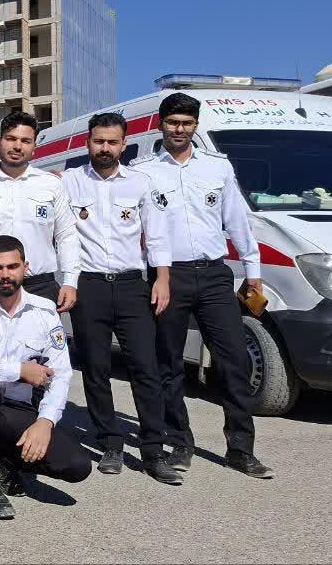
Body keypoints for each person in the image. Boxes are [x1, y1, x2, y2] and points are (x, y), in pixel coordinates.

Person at [131, 92, 274, 479]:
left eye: (187, 123)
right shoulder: (143, 172)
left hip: (214, 275)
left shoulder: (218, 167)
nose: (179, 129)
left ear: (196, 125)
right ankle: (180, 441)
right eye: (173, 122)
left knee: (234, 360)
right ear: (160, 124)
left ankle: (240, 449)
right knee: (169, 364)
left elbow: (238, 220)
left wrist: (253, 271)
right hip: (167, 277)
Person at [61, 112, 180, 484]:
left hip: (132, 286)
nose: (105, 148)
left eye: (112, 142)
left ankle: (153, 450)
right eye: (99, 141)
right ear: (88, 143)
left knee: (145, 367)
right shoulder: (69, 181)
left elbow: (157, 236)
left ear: (123, 145)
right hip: (89, 287)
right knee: (96, 369)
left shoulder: (141, 184)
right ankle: (110, 442)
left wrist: (162, 279)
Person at [0, 236, 93, 520]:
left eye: (13, 266)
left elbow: (61, 373)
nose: (5, 274)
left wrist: (45, 422)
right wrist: (20, 370)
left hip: (14, 408)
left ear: (26, 267)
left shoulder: (44, 310)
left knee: (77, 465)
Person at [0, 111, 79, 310]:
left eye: (25, 141)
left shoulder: (51, 184)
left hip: (40, 287)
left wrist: (70, 281)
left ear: (34, 147)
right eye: (11, 139)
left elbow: (67, 235)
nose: (17, 146)